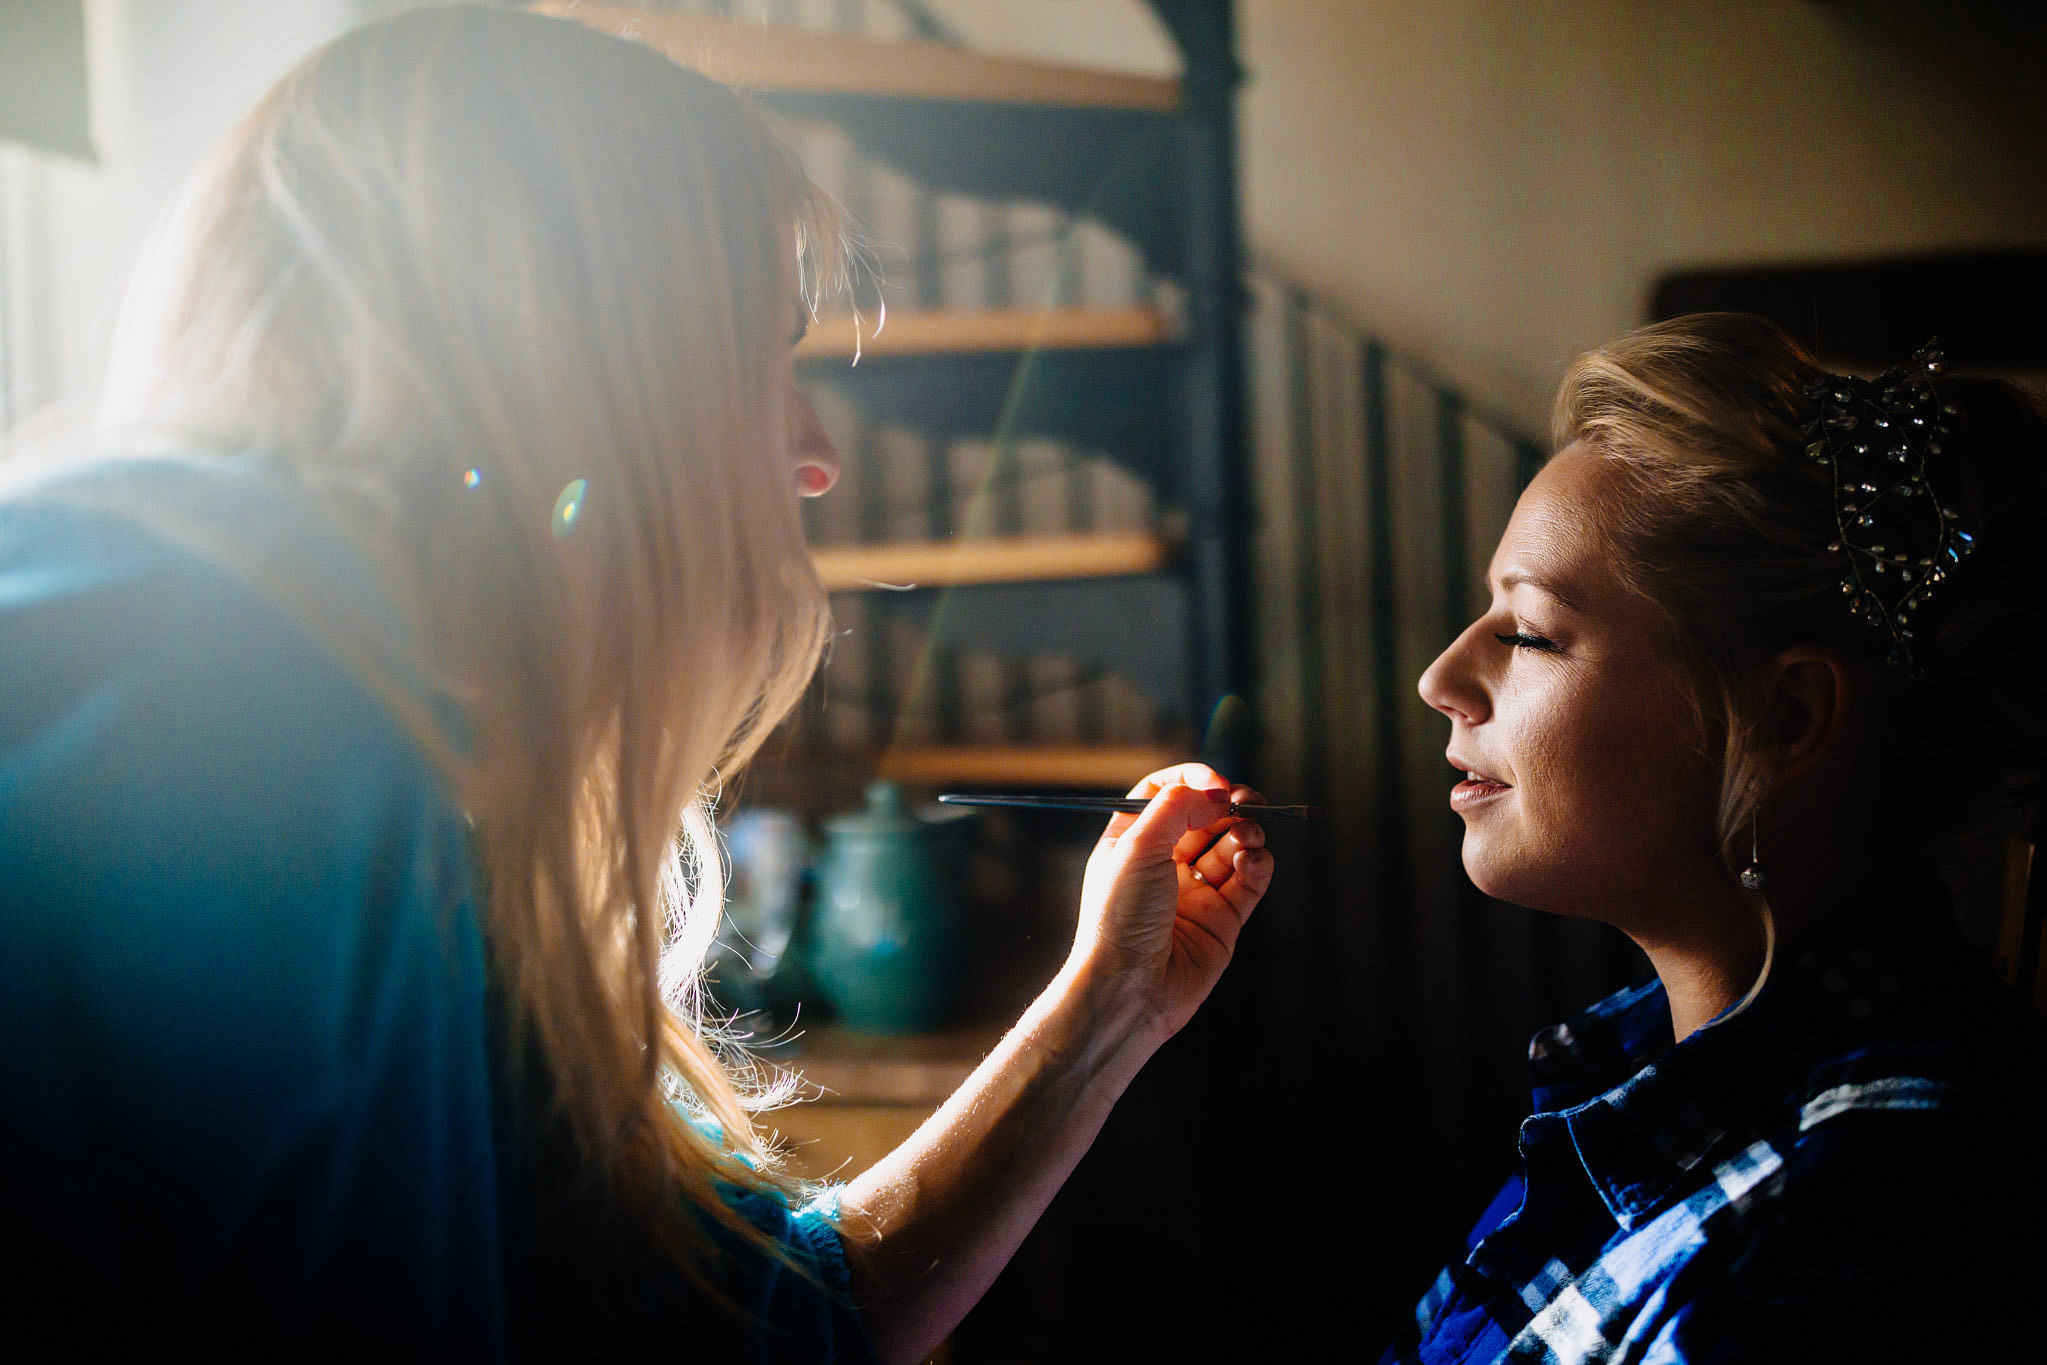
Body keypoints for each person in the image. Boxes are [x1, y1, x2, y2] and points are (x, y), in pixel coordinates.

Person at [0, 8, 1274, 1359]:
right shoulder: (183, 694)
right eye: (762, 350)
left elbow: (750, 1329)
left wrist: (1109, 1008)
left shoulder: (424, 771)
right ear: (575, 344)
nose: (816, 451)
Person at [1391, 312, 2047, 1362]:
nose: (1440, 680)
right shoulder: (1644, 1078)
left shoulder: (1836, 1231)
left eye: (1527, 632)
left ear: (1783, 720)